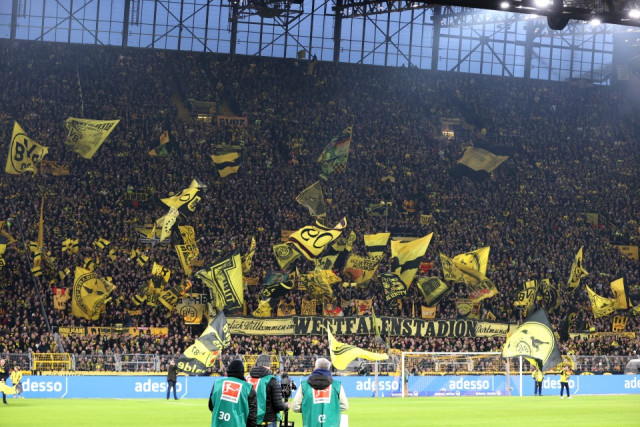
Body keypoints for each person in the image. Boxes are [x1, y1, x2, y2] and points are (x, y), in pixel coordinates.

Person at [292, 358, 348, 427]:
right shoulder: (337, 385)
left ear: (315, 368)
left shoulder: (304, 385)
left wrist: (309, 410)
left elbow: (295, 407)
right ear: (328, 369)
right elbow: (344, 406)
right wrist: (330, 410)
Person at [209, 359, 257, 427]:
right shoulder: (248, 388)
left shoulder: (217, 384)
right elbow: (252, 415)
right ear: (242, 372)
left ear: (228, 370)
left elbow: (211, 405)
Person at [247, 354, 287, 427]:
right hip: (268, 420)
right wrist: (286, 405)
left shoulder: (247, 379)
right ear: (269, 365)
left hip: (249, 420)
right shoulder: (272, 380)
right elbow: (278, 405)